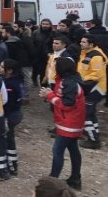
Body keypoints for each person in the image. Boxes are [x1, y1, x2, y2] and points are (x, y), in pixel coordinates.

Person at [39, 57, 85, 191]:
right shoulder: (70, 80)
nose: (53, 68)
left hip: (69, 123)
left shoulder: (69, 83)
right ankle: (75, 178)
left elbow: (67, 104)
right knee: (73, 149)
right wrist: (50, 94)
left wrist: (50, 96)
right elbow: (63, 98)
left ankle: (52, 183)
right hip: (72, 122)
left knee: (57, 150)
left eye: (55, 66)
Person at [77, 34, 106, 149]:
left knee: (85, 114)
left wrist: (83, 83)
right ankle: (94, 134)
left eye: (83, 42)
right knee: (91, 113)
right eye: (81, 41)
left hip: (94, 88)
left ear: (91, 44)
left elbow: (97, 74)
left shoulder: (96, 56)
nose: (81, 43)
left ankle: (93, 140)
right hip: (90, 87)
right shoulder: (86, 54)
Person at [0, 58, 24, 176]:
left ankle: (11, 165)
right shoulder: (17, 80)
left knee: (8, 139)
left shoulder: (9, 84)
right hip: (17, 113)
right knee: (10, 138)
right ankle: (12, 162)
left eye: (2, 66)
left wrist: (4, 118)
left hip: (10, 115)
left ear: (9, 70)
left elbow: (8, 103)